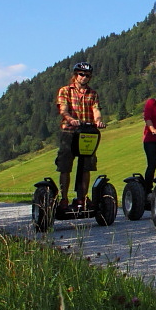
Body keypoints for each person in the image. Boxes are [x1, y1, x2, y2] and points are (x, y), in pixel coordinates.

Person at [55, 61, 106, 209]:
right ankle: (64, 198)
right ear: (75, 75)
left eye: (87, 75)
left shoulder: (92, 93)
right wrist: (71, 119)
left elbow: (96, 109)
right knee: (65, 166)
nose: (84, 77)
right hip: (69, 131)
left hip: (87, 132)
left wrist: (98, 121)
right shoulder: (65, 90)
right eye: (81, 74)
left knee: (86, 166)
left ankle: (81, 198)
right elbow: (63, 109)